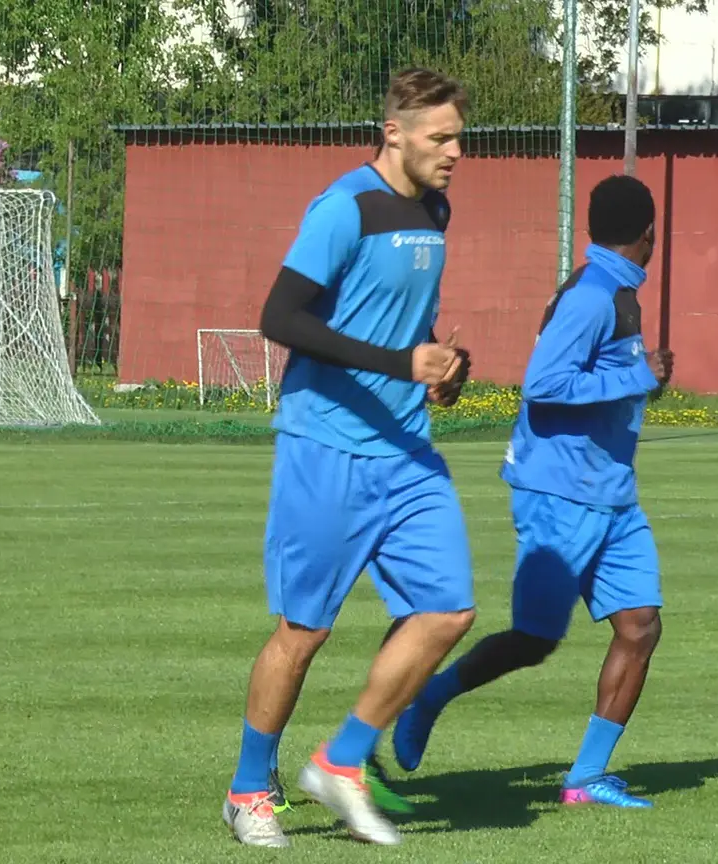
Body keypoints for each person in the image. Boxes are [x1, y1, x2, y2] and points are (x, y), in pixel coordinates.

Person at [220, 67, 478, 848]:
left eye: (459, 137)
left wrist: (440, 369)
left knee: (448, 610)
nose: (455, 152)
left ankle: (342, 760)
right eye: (440, 138)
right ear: (393, 133)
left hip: (407, 451)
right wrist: (399, 364)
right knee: (303, 632)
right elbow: (279, 317)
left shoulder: (435, 208)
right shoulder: (344, 208)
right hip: (326, 447)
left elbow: (408, 322)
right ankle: (247, 790)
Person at [385, 173, 674, 809]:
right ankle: (429, 696)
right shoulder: (592, 296)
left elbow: (597, 379)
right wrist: (636, 376)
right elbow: (543, 386)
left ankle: (587, 777)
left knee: (640, 626)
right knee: (534, 639)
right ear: (650, 235)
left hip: (610, 491)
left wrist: (639, 378)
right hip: (560, 492)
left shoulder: (613, 288)